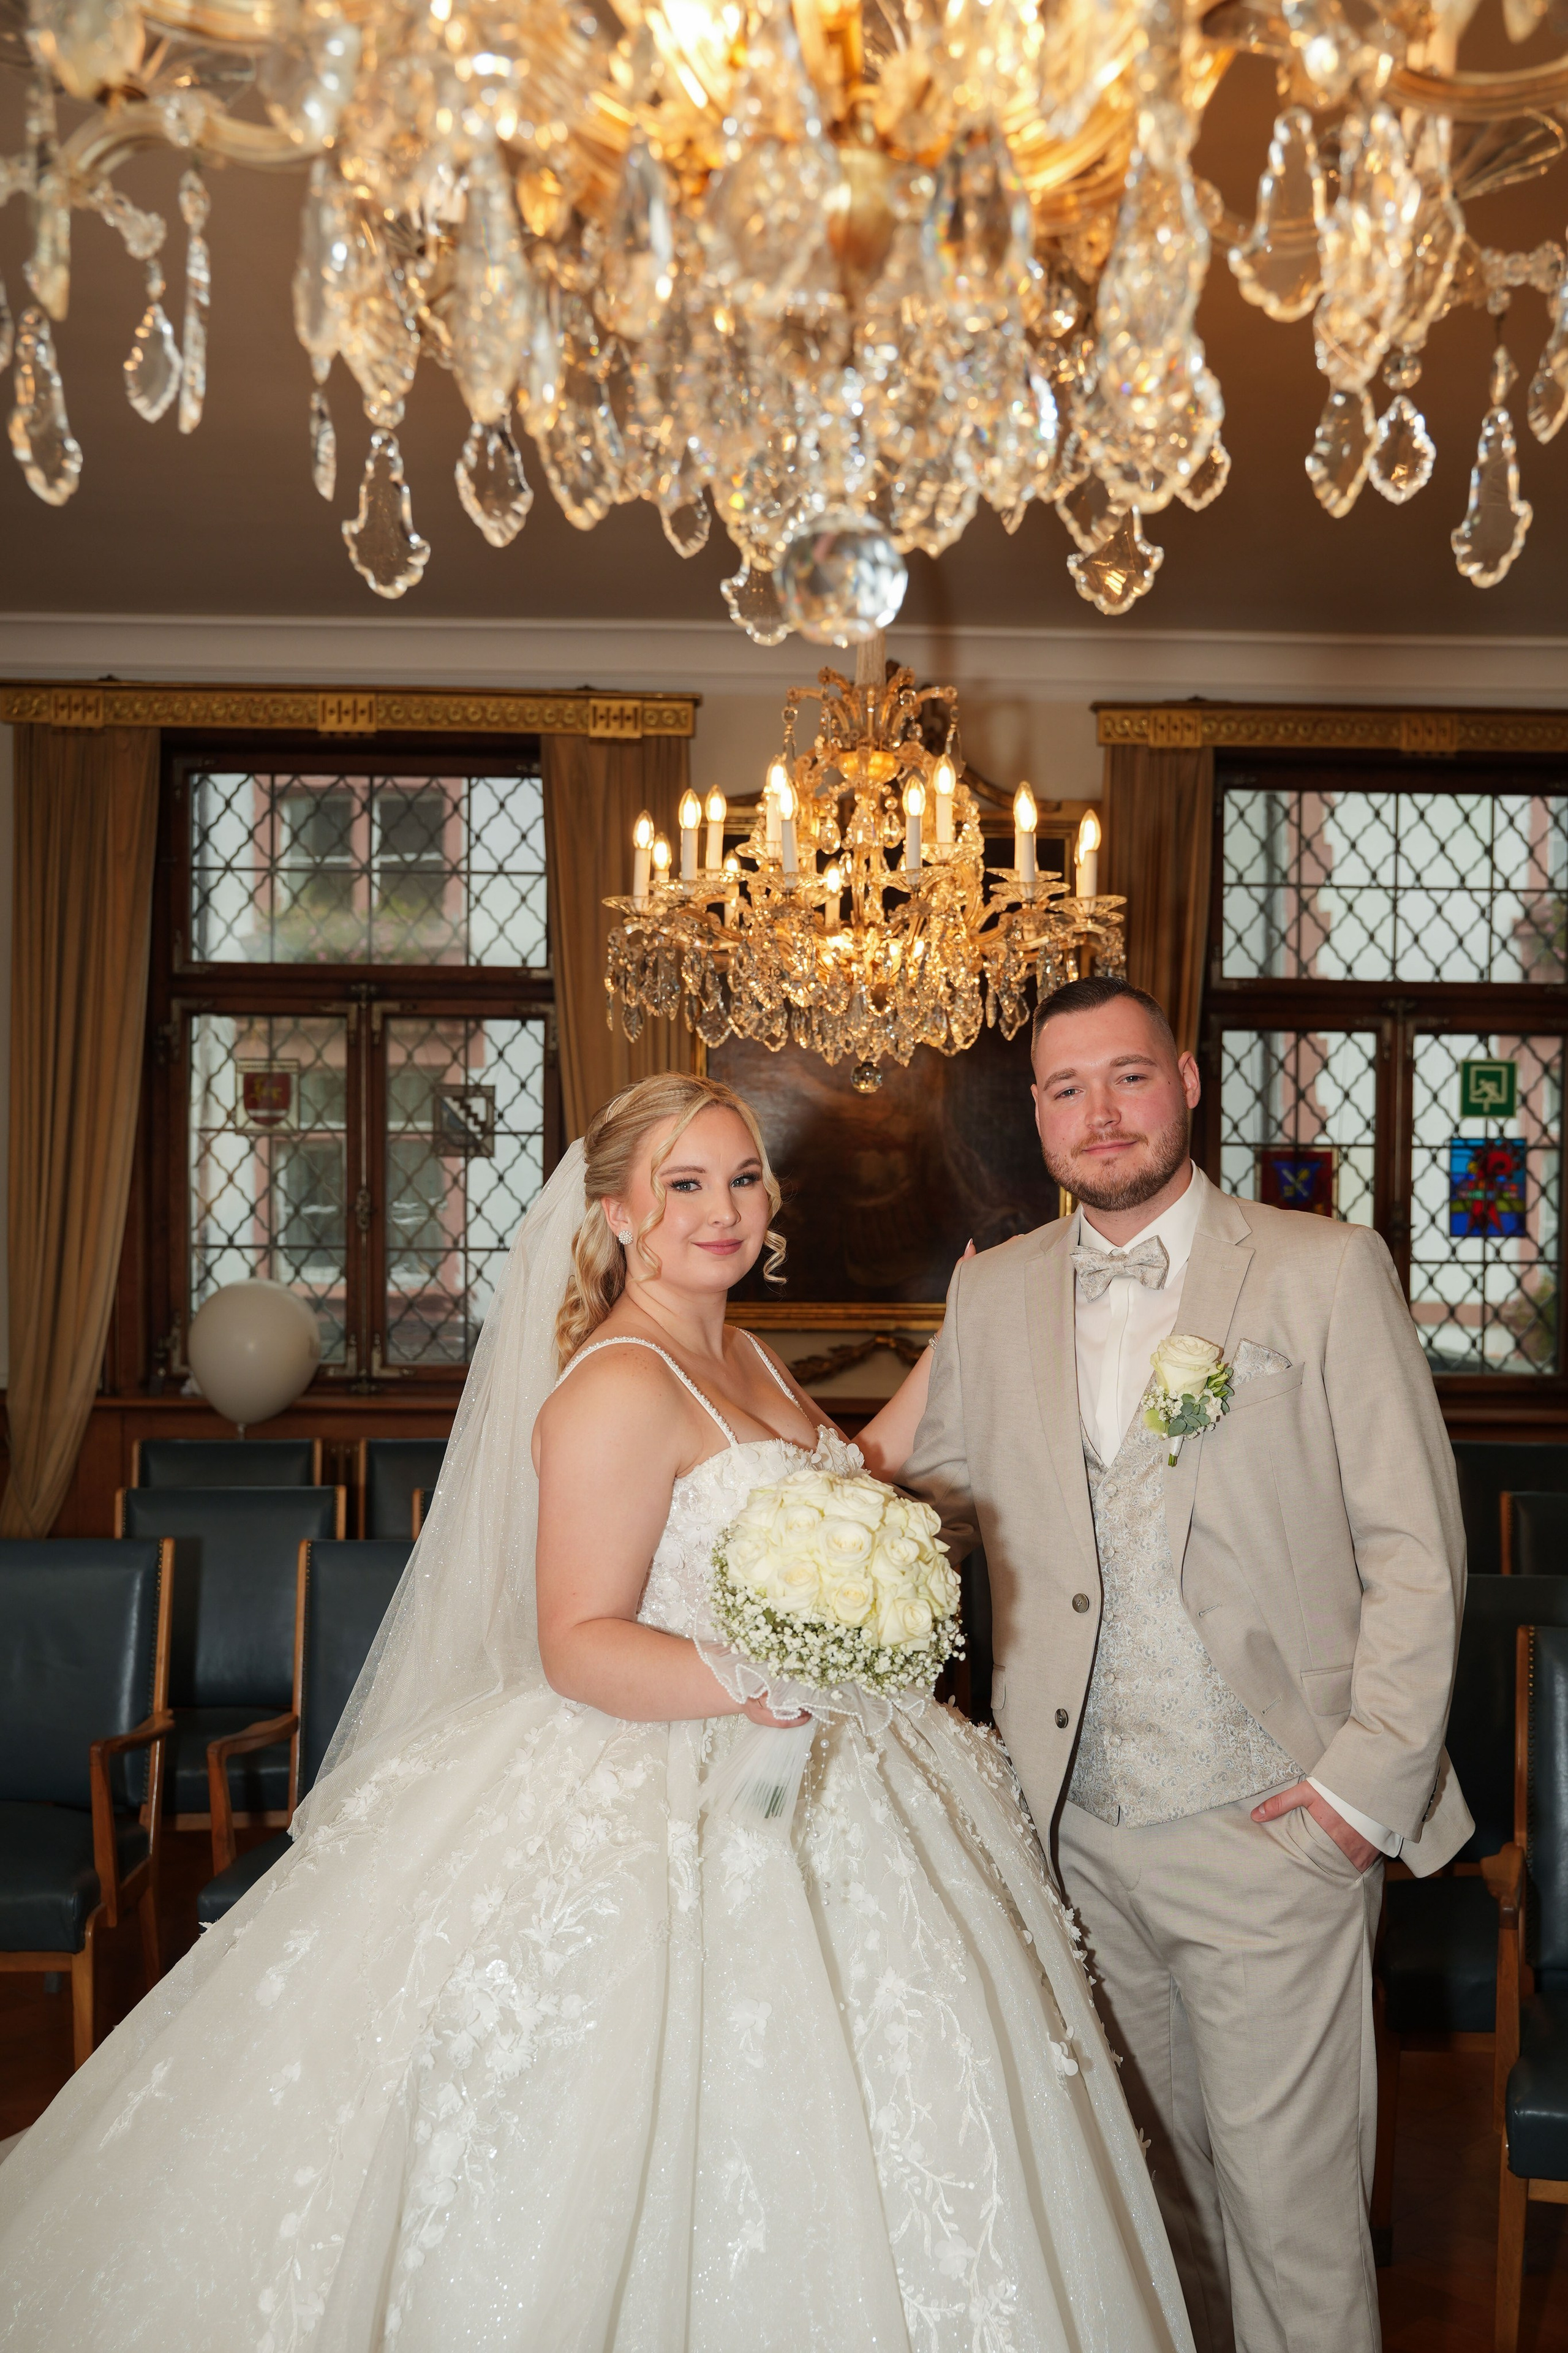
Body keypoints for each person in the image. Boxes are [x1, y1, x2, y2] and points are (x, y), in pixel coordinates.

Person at [0, 1071, 1193, 2353]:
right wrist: (762, 1679)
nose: (721, 1209)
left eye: (741, 1178)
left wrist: (957, 1340)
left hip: (820, 1763)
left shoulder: (735, 1347)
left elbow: (843, 1478)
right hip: (668, 1780)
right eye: (684, 1184)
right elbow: (577, 1643)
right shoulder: (615, 1384)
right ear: (618, 1211)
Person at [903, 975, 1472, 2353]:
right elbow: (918, 1502)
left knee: (1293, 2219)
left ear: (1187, 1081)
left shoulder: (1320, 1268)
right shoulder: (998, 1292)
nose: (1099, 1114)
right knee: (1149, 2209)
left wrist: (1356, 1793)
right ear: (1033, 1115)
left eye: (1127, 1078)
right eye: (1063, 1088)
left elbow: (1415, 1548)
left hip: (1273, 1818)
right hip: (1072, 1835)